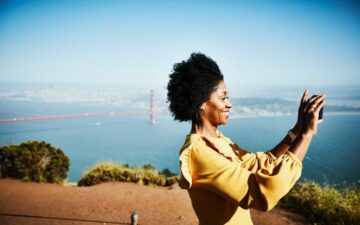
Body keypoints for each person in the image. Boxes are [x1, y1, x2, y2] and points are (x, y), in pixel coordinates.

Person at [166, 53, 325, 225]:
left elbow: (259, 162)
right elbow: (262, 194)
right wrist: (306, 135)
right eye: (223, 97)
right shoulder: (199, 153)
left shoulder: (217, 140)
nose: (229, 104)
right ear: (200, 103)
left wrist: (297, 130)